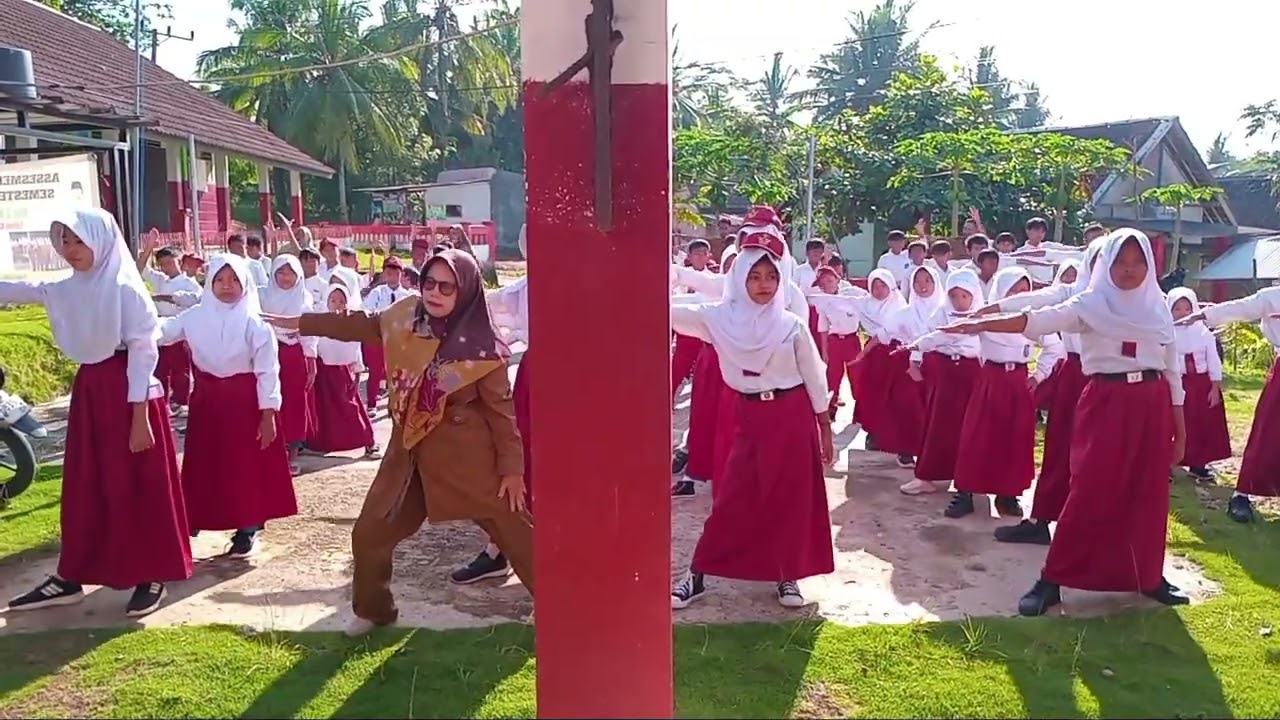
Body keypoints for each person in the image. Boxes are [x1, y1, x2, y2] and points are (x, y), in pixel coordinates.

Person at [263, 249, 531, 635]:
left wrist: (512, 471)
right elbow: (360, 325)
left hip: (469, 463)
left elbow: (503, 418)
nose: (434, 293)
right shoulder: (404, 319)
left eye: (446, 287)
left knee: (517, 534)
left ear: (467, 291)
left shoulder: (484, 349)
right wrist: (302, 323)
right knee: (370, 533)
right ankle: (374, 610)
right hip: (407, 457)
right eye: (428, 283)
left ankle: (560, 605)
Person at [939, 229, 1188, 616]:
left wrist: (1180, 429)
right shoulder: (1090, 303)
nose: (1129, 270)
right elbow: (1037, 319)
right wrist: (981, 324)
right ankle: (1052, 579)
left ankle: (1147, 575)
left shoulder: (1157, 307)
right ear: (1105, 264)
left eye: (1138, 262)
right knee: (1090, 488)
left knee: (1148, 491)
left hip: (1152, 404)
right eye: (1121, 262)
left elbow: (1172, 371)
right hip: (1107, 400)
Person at [3, 208, 191, 617]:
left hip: (131, 392)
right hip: (92, 390)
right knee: (89, 481)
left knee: (140, 483)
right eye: (65, 241)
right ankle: (72, 574)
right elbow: (23, 288)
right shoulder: (70, 287)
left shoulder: (125, 287)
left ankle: (151, 572)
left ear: (100, 240)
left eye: (78, 241)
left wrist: (139, 414)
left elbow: (144, 350)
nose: (71, 250)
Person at [669, 234, 834, 610]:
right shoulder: (718, 318)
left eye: (771, 277)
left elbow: (814, 376)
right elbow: (667, 310)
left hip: (791, 417)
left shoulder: (791, 324)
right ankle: (697, 574)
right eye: (755, 276)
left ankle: (786, 575)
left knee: (787, 499)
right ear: (740, 277)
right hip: (747, 414)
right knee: (732, 498)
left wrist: (824, 428)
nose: (763, 285)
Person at [160, 255, 296, 557]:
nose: (227, 286)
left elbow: (267, 371)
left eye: (234, 280)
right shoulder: (194, 317)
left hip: (245, 401)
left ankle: (247, 529)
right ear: (209, 283)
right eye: (220, 280)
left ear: (245, 283)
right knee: (207, 461)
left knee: (245, 466)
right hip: (208, 401)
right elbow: (164, 331)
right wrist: (131, 326)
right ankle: (196, 517)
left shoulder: (254, 324)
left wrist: (268, 413)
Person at [947, 267, 1063, 520]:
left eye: (1025, 290)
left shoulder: (1035, 320)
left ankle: (1008, 493)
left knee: (1014, 437)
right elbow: (961, 334)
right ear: (1002, 292)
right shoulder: (987, 317)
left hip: (1018, 382)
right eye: (1014, 291)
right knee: (977, 436)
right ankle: (965, 492)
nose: (1020, 296)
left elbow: (1056, 347)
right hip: (990, 379)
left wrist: (1038, 375)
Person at [1179, 284, 1280, 522]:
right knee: (1268, 433)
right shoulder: (1273, 297)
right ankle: (1241, 494)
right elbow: (1242, 307)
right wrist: (1204, 314)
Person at [898, 269, 984, 495]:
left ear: (974, 294)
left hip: (972, 372)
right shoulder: (941, 314)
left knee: (971, 426)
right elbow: (928, 336)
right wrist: (914, 361)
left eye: (964, 296)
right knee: (938, 424)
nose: (959, 301)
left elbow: (991, 346)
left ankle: (968, 478)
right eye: (954, 296)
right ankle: (926, 475)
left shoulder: (983, 317)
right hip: (946, 371)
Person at [261, 255, 319, 475]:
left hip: (294, 355)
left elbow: (309, 331)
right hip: (267, 352)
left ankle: (292, 454)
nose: (285, 278)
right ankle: (270, 451)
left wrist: (311, 362)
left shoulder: (303, 297)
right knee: (268, 400)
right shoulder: (262, 295)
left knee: (294, 403)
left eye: (290, 273)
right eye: (281, 272)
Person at [308, 283, 380, 459]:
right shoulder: (320, 321)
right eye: (332, 300)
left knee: (351, 409)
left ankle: (368, 441)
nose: (337, 304)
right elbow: (312, 345)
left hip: (343, 373)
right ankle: (320, 443)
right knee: (324, 411)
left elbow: (356, 351)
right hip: (323, 372)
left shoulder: (351, 324)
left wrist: (357, 370)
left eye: (341, 301)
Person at [1166, 288, 1231, 482]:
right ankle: (1167, 463)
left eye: (1187, 308)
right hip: (1177, 383)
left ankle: (1198, 463)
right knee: (1172, 423)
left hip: (1201, 384)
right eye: (1177, 309)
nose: (1183, 313)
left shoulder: (1203, 333)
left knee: (1201, 424)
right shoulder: (1166, 333)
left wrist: (1214, 386)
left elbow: (1213, 359)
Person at [136, 232, 200, 413]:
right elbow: (140, 268)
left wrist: (164, 297)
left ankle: (181, 401)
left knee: (181, 370)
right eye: (162, 264)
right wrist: (148, 248)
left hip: (181, 331)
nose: (166, 267)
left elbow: (194, 300)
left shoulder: (189, 283)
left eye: (169, 262)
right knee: (160, 369)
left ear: (179, 261)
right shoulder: (160, 280)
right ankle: (161, 402)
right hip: (161, 330)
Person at [363, 256, 416, 410]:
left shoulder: (407, 295)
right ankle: (372, 403)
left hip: (398, 339)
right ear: (384, 273)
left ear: (401, 274)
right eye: (389, 271)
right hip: (378, 337)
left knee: (397, 373)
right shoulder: (377, 292)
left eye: (396, 271)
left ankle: (395, 403)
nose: (392, 275)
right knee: (375, 371)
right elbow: (367, 310)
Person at [812, 265, 861, 420]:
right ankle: (831, 408)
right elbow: (823, 327)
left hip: (851, 339)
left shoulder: (852, 293)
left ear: (837, 279)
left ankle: (860, 409)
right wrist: (825, 351)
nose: (827, 285)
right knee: (833, 377)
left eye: (829, 280)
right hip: (835, 341)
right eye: (822, 283)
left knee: (856, 375)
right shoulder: (823, 301)